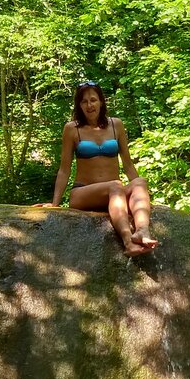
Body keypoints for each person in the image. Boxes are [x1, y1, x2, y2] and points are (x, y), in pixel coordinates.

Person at [36, 81, 159, 257]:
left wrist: (140, 196)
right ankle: (128, 241)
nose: (89, 105)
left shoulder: (116, 125)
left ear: (101, 101)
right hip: (82, 193)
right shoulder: (72, 129)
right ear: (79, 105)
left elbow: (128, 164)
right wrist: (55, 203)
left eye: (93, 100)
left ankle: (143, 231)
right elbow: (64, 170)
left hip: (113, 194)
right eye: (84, 101)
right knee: (115, 185)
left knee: (140, 182)